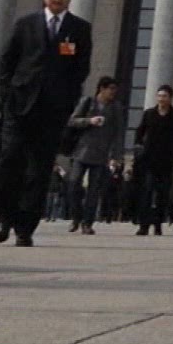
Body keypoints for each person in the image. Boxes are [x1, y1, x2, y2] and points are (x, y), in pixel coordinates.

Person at [0, 0, 91, 246]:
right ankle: (1, 218)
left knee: (40, 169)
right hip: (19, 106)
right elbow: (7, 62)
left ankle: (25, 227)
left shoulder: (79, 29)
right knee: (10, 161)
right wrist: (7, 96)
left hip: (53, 111)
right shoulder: (25, 24)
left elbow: (81, 70)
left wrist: (68, 102)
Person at [66, 76, 124, 234]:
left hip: (101, 155)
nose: (113, 92)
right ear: (101, 88)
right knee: (73, 184)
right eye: (111, 89)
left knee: (93, 191)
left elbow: (119, 133)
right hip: (81, 151)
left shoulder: (116, 107)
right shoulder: (88, 102)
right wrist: (89, 121)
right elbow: (72, 121)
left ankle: (87, 223)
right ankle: (76, 217)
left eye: (115, 89)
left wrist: (116, 156)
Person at [132, 85, 173, 235]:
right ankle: (144, 225)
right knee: (147, 191)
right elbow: (140, 132)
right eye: (159, 96)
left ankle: (158, 223)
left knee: (163, 193)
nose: (161, 99)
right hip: (149, 159)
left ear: (170, 98)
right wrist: (138, 146)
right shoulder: (149, 114)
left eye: (164, 96)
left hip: (167, 160)